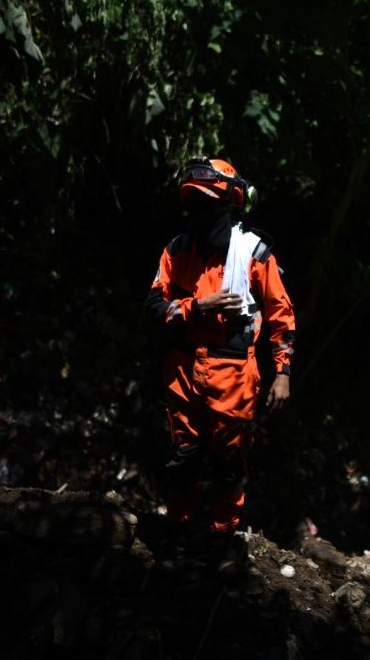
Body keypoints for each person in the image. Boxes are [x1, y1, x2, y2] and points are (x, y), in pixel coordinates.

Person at [146, 156, 295, 546]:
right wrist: (198, 307)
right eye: (193, 204)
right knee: (183, 458)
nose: (198, 213)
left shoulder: (253, 254)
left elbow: (281, 314)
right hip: (182, 370)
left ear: (229, 204)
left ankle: (222, 539)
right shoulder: (176, 251)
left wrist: (283, 372)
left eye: (207, 204)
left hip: (233, 373)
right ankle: (177, 530)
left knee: (228, 463)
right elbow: (153, 308)